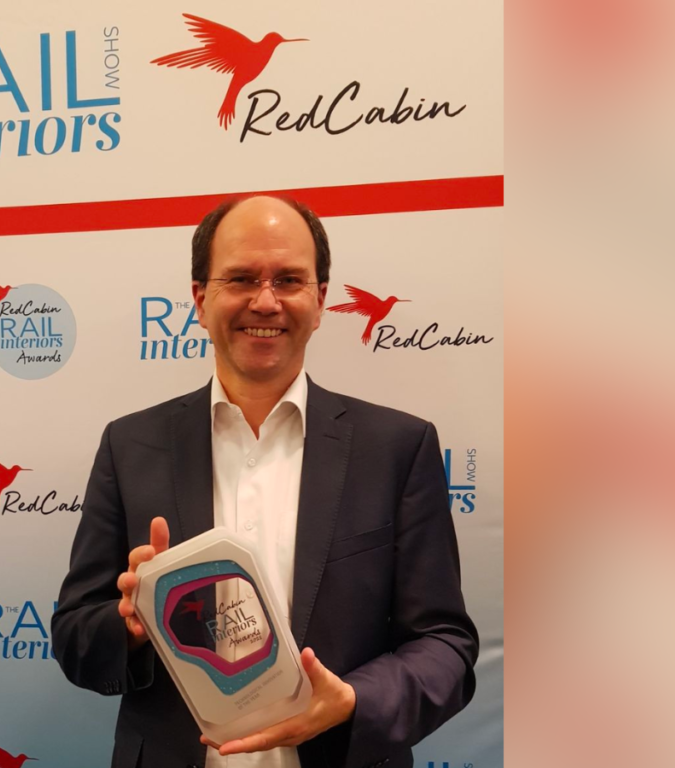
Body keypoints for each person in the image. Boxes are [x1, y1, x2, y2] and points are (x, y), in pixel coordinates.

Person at [52, 196, 478, 768]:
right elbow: (75, 635)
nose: (267, 300)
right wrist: (129, 626)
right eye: (242, 278)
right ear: (201, 299)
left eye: (290, 280)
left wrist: (354, 701)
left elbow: (445, 646)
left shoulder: (398, 448)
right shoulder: (130, 447)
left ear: (321, 300)